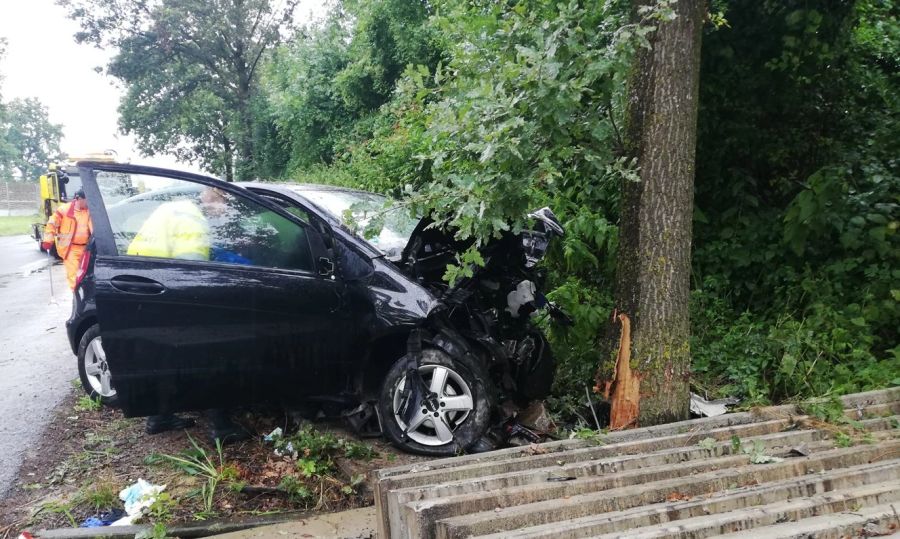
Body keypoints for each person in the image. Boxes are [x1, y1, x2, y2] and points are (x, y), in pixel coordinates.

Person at [128, 186, 249, 442]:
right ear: (212, 195)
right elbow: (192, 275)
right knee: (210, 356)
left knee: (165, 358)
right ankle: (222, 428)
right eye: (224, 203)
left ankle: (159, 417)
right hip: (170, 295)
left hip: (144, 290)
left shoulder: (173, 208)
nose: (224, 210)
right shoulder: (194, 221)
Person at [41, 189, 92, 290]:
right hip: (70, 249)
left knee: (86, 275)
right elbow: (52, 224)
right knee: (73, 275)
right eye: (87, 200)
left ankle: (84, 295)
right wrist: (48, 240)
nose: (88, 203)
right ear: (79, 199)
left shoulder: (90, 211)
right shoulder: (64, 210)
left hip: (87, 248)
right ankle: (76, 297)